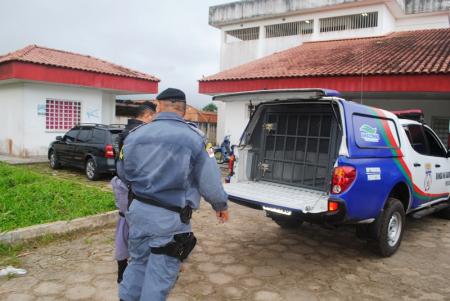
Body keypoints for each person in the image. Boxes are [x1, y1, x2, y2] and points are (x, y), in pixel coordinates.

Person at [118, 88, 229, 301]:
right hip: (169, 220)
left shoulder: (134, 135)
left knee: (138, 263)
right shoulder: (196, 138)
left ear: (158, 106)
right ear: (184, 110)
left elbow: (123, 172)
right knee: (159, 276)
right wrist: (220, 205)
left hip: (138, 214)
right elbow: (210, 182)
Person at [111, 102, 156, 284]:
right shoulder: (140, 134)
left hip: (122, 186)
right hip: (134, 188)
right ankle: (135, 270)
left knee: (124, 225)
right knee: (139, 227)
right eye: (155, 118)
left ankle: (122, 270)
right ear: (148, 116)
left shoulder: (126, 132)